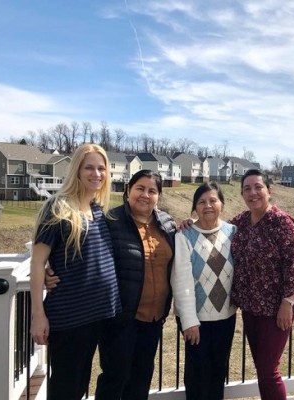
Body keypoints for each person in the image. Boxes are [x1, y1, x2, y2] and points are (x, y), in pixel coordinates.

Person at [46, 169, 176, 400]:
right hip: (120, 318)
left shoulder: (167, 224)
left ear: (158, 196)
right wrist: (49, 268)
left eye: (152, 190)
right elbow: (83, 250)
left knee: (142, 377)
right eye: (140, 188)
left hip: (154, 319)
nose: (145, 195)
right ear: (128, 192)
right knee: (116, 378)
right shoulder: (110, 220)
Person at [30, 143, 121, 400]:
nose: (97, 174)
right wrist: (38, 316)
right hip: (71, 317)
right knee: (67, 388)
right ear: (77, 171)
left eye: (101, 168)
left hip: (103, 313)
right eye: (89, 167)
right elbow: (37, 262)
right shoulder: (58, 208)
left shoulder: (96, 210)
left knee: (87, 382)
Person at [229, 169, 294, 400]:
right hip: (251, 307)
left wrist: (287, 303)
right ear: (243, 194)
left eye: (258, 187)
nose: (253, 192)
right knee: (263, 370)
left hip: (276, 309)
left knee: (268, 370)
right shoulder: (241, 221)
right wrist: (190, 224)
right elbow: (214, 229)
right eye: (247, 188)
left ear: (269, 191)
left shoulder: (281, 223)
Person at [171, 182, 237, 400]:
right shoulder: (185, 236)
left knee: (218, 371)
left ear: (222, 204)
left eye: (213, 200)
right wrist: (189, 321)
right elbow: (182, 281)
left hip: (225, 317)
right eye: (201, 202)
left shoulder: (232, 232)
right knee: (197, 374)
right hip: (196, 320)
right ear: (194, 207)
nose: (208, 205)